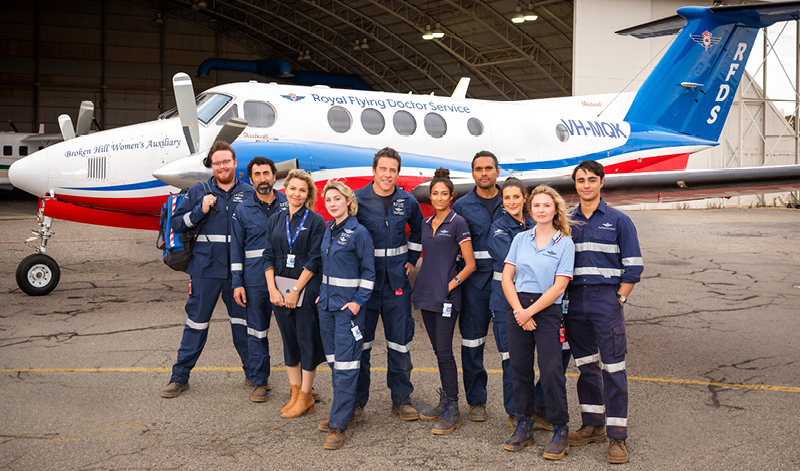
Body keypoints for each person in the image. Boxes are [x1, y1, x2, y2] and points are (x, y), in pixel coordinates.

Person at [161, 141, 255, 398]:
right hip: (204, 271)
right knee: (196, 324)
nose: (222, 166)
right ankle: (179, 377)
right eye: (217, 163)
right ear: (212, 166)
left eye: (226, 161)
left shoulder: (249, 194)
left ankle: (255, 377)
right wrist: (200, 210)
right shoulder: (197, 191)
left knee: (243, 325)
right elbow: (178, 224)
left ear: (235, 163)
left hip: (239, 274)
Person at [565, 160, 643, 464]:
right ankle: (593, 425)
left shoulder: (619, 220)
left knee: (613, 369)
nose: (586, 184)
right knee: (586, 366)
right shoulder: (567, 221)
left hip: (605, 300)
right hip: (574, 302)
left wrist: (618, 300)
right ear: (575, 184)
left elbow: (633, 266)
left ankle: (618, 438)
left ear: (601, 182)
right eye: (581, 180)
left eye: (591, 179)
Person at [489, 178, 573, 430]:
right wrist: (519, 311)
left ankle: (559, 428)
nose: (541, 210)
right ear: (531, 209)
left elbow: (559, 286)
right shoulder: (520, 239)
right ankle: (523, 424)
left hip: (546, 309)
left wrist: (528, 313)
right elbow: (506, 277)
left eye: (546, 205)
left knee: (551, 372)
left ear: (555, 209)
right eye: (537, 205)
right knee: (520, 370)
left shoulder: (565, 243)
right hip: (517, 307)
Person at [353, 147, 424, 421]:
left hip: (397, 285)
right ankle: (357, 404)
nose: (387, 174)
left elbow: (417, 230)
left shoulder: (407, 201)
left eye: (392, 170)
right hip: (367, 287)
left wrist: (413, 258)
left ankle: (402, 399)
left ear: (398, 172)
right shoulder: (358, 200)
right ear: (374, 171)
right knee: (362, 346)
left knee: (399, 344)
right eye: (383, 169)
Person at [414, 168, 476, 435]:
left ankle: (453, 407)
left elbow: (470, 264)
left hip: (447, 296)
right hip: (426, 294)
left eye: (444, 194)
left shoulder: (458, 222)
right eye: (435, 193)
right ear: (430, 196)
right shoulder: (425, 224)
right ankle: (445, 400)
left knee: (445, 351)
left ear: (451, 196)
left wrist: (450, 285)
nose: (439, 198)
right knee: (439, 352)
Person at [316, 180, 376, 450]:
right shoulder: (329, 230)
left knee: (347, 367)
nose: (332, 204)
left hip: (347, 312)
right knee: (334, 363)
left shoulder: (358, 232)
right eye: (328, 200)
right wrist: (321, 294)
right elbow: (327, 268)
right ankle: (349, 409)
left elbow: (369, 274)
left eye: (337, 199)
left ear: (348, 202)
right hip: (327, 307)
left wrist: (357, 303)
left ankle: (339, 425)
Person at [264, 169, 326, 418]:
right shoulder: (275, 220)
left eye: (302, 190)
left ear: (308, 193)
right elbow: (267, 255)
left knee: (306, 342)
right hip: (279, 289)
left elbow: (314, 260)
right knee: (289, 342)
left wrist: (297, 290)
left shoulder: (315, 221)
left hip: (305, 288)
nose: (296, 194)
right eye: (293, 189)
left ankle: (306, 395)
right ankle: (295, 393)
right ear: (285, 189)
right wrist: (272, 289)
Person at [451, 150, 505, 421]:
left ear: (498, 171)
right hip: (475, 285)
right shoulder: (462, 205)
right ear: (472, 173)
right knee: (472, 343)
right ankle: (476, 402)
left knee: (512, 347)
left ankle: (517, 406)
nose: (484, 173)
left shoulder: (512, 199)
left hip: (509, 283)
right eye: (478, 169)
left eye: (488, 168)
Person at [231, 156, 288, 402]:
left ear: (275, 176)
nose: (263, 179)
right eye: (257, 174)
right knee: (256, 332)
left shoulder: (289, 203)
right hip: (255, 281)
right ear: (250, 178)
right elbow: (236, 249)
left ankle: (302, 386)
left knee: (293, 334)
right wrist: (237, 282)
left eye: (266, 173)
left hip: (287, 279)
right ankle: (259, 382)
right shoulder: (242, 210)